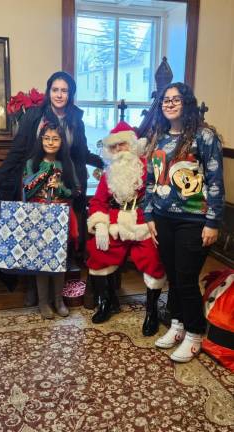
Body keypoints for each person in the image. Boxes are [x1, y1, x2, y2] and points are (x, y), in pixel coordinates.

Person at [143, 82, 225, 362]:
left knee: (186, 279)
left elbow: (215, 182)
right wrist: (149, 215)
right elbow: (152, 181)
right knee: (174, 277)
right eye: (166, 99)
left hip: (194, 220)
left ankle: (194, 333)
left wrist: (213, 222)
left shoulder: (204, 137)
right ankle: (177, 325)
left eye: (176, 99)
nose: (169, 103)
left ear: (187, 103)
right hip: (163, 219)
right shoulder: (160, 137)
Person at [0, 70, 104, 258]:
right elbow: (17, 152)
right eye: (55, 89)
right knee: (35, 234)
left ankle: (59, 281)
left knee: (62, 238)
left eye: (64, 91)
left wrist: (103, 162)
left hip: (65, 184)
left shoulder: (76, 120)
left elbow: (81, 153)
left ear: (71, 94)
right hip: (36, 185)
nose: (59, 95)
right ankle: (35, 284)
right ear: (49, 91)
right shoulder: (34, 116)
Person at [86, 121, 166, 334]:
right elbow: (97, 201)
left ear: (133, 145)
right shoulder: (108, 172)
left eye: (123, 144)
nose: (119, 150)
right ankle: (107, 301)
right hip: (115, 223)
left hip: (143, 222)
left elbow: (158, 197)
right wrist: (101, 224)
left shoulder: (147, 167)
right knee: (97, 249)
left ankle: (152, 311)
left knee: (153, 257)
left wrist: (153, 223)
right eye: (114, 147)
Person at [23, 122, 78, 319]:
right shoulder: (32, 163)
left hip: (61, 216)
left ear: (62, 142)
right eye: (47, 138)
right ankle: (43, 302)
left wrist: (61, 186)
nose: (51, 142)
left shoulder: (67, 164)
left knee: (59, 259)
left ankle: (58, 300)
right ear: (41, 140)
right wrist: (43, 175)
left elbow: (76, 190)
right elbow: (25, 190)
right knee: (42, 261)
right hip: (38, 216)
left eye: (55, 138)